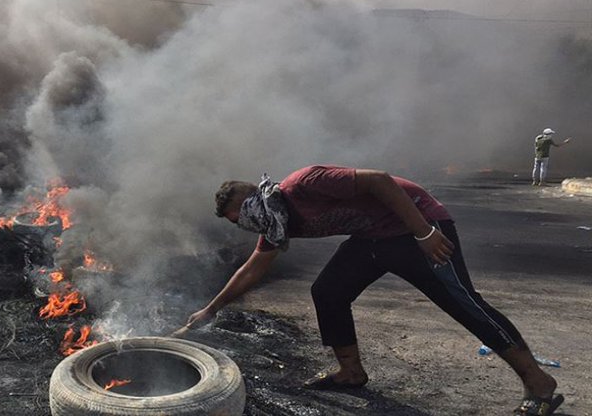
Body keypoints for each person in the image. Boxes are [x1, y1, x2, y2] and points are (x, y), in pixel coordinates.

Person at [183, 165, 562, 415]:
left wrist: (425, 232)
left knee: (462, 302)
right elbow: (253, 269)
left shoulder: (305, 183)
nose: (246, 227)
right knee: (329, 291)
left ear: (254, 203)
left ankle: (539, 383)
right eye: (239, 225)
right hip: (372, 239)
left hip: (418, 227)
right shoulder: (276, 223)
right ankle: (351, 372)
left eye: (242, 218)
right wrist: (210, 311)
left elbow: (380, 181)